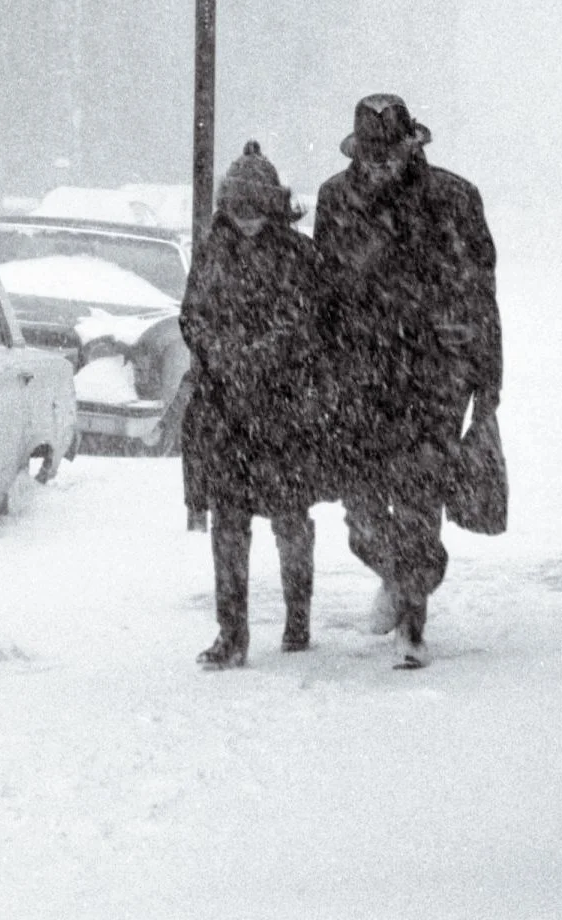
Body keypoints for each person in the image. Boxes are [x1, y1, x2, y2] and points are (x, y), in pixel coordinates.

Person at [313, 94, 500, 670]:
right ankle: (401, 578)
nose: (380, 165)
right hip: (360, 377)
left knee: (419, 501)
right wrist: (320, 368)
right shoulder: (334, 199)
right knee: (363, 519)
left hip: (434, 377)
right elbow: (323, 291)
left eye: (390, 152)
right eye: (371, 155)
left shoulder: (453, 197)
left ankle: (413, 624)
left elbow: (481, 291)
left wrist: (486, 379)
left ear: (410, 145)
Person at [179, 140, 328, 669]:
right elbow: (192, 316)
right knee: (228, 524)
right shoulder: (212, 249)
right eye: (237, 207)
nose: (245, 218)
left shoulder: (297, 254)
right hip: (224, 415)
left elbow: (306, 324)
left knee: (290, 518)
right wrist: (224, 356)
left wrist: (259, 358)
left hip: (283, 412)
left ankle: (298, 618)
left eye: (254, 207)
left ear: (272, 204)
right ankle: (232, 634)